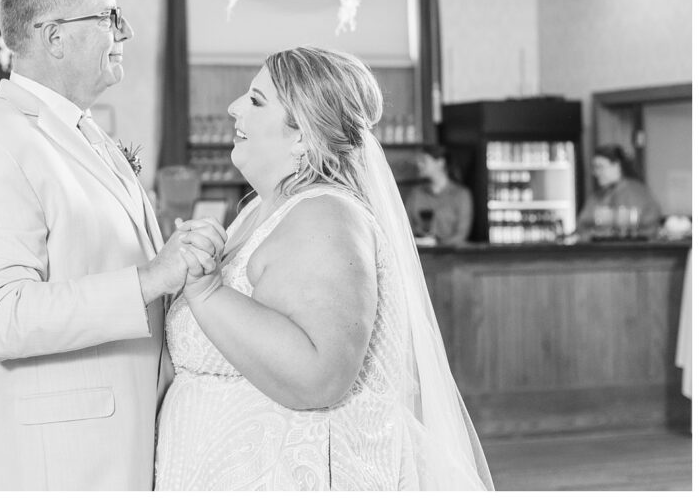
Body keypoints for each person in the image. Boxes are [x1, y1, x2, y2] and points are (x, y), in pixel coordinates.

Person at [0, 0, 224, 490]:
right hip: (55, 461)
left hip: (123, 442)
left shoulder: (86, 134)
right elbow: (0, 318)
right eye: (110, 17)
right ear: (54, 37)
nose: (127, 31)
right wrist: (150, 279)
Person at [155, 46, 493, 490]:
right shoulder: (262, 208)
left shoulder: (324, 217)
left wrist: (206, 292)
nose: (234, 107)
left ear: (302, 135)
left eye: (257, 101)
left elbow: (318, 376)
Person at [576, 144, 662, 239]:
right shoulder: (596, 197)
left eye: (600, 167)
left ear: (617, 166)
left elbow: (649, 227)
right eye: (594, 168)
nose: (596, 173)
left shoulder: (638, 192)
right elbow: (582, 225)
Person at [403, 144, 473, 245]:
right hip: (419, 255)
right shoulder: (415, 194)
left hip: (451, 257)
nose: (419, 164)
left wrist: (436, 244)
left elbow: (461, 235)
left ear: (440, 163)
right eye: (418, 161)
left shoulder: (461, 195)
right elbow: (405, 227)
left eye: (423, 160)